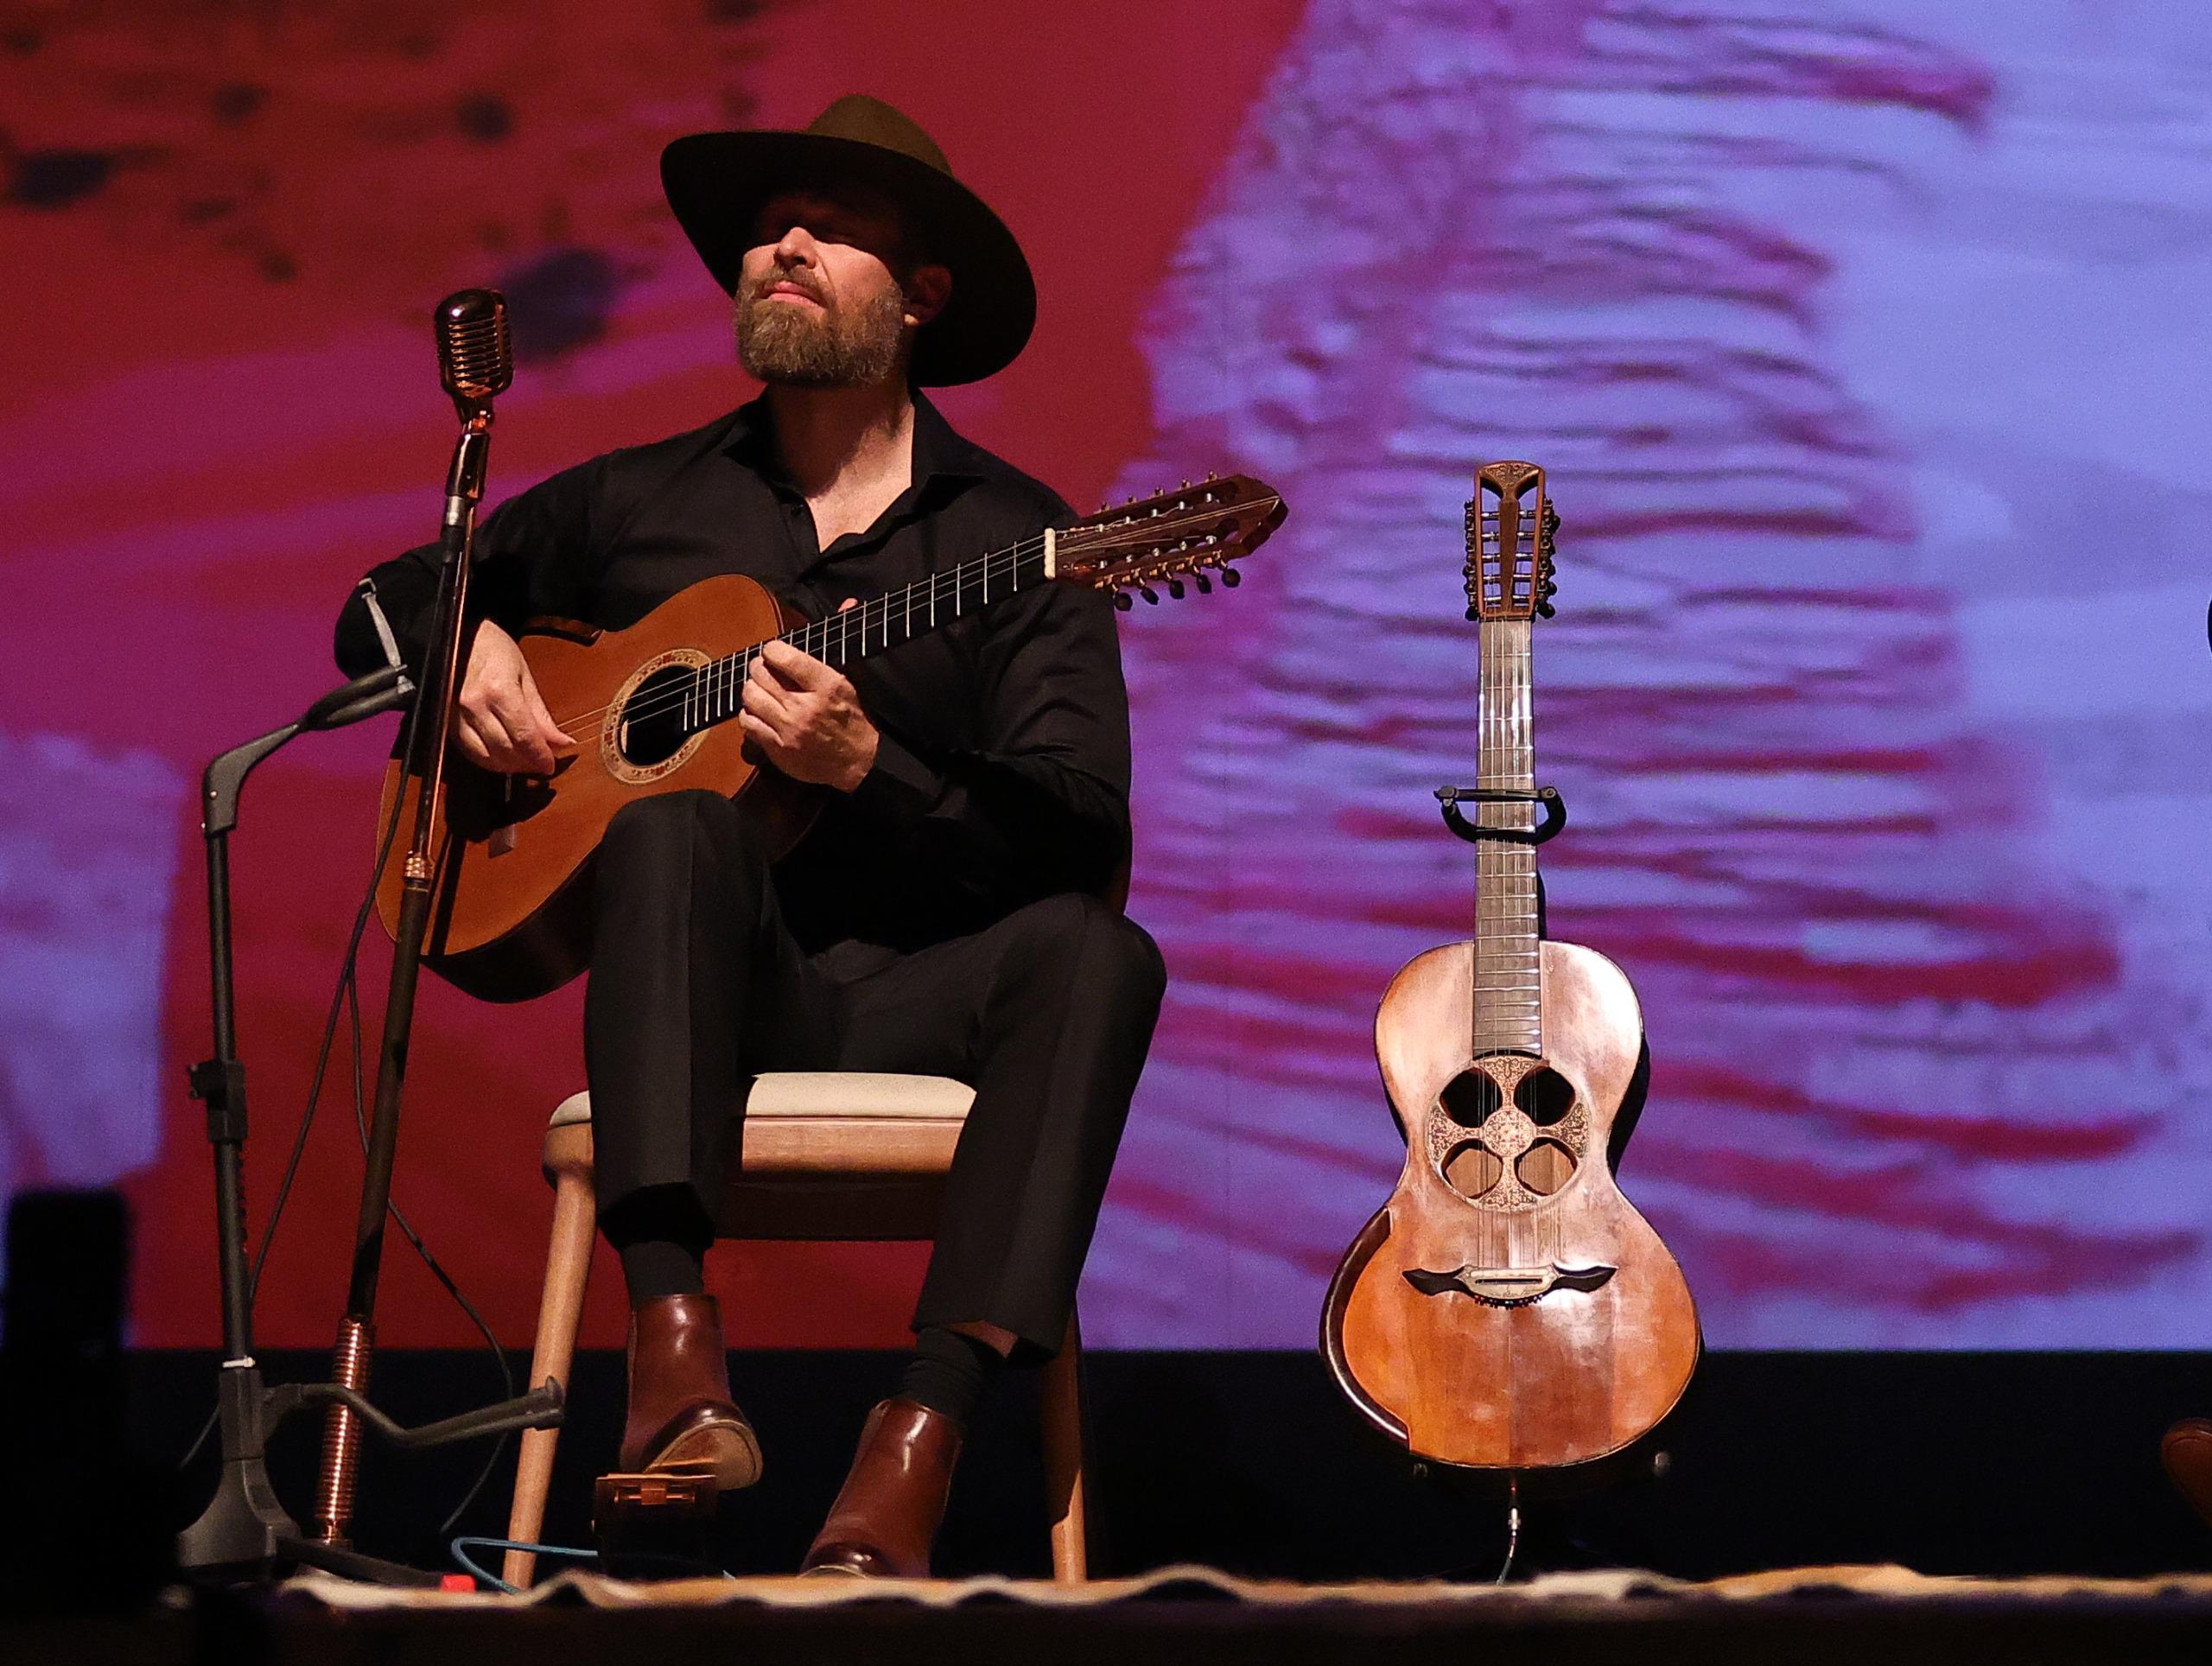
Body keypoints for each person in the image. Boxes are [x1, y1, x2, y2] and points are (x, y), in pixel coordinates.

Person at [334, 95, 1165, 1577]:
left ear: (916, 301)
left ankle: (919, 1435)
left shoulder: (1019, 541)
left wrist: (873, 770)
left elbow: (1077, 840)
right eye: (772, 228)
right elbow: (384, 597)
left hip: (925, 1000)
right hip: (720, 994)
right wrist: (461, 644)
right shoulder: (643, 498)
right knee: (669, 833)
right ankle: (671, 1351)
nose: (781, 245)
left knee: (1101, 956)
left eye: (834, 232)